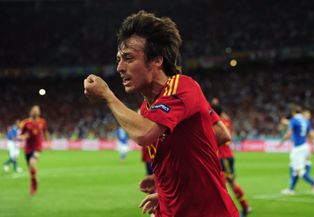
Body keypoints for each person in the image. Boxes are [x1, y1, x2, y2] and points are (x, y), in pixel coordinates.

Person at [84, 10, 239, 217]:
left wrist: (108, 96)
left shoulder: (182, 86)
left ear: (156, 61)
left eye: (128, 58)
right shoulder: (148, 108)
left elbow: (144, 134)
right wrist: (167, 185)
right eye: (119, 59)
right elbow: (220, 134)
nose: (119, 67)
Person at [212, 105, 250, 217]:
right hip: (227, 156)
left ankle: (244, 207)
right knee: (224, 183)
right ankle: (244, 207)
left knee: (227, 183)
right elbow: (224, 115)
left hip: (223, 157)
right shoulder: (226, 121)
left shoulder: (213, 123)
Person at [278, 105, 314, 195]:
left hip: (298, 148)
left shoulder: (294, 120)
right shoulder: (305, 121)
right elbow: (311, 133)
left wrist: (281, 141)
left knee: (299, 171)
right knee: (294, 168)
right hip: (305, 146)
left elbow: (289, 132)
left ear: (293, 112)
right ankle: (291, 189)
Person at [19, 105, 50, 195]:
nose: (36, 112)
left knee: (32, 163)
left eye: (37, 110)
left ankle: (34, 183)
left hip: (38, 147)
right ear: (31, 112)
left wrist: (48, 142)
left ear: (39, 112)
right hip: (28, 149)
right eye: (34, 110)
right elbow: (20, 136)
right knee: (31, 169)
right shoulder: (25, 123)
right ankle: (33, 182)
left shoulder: (42, 122)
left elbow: (45, 132)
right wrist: (24, 136)